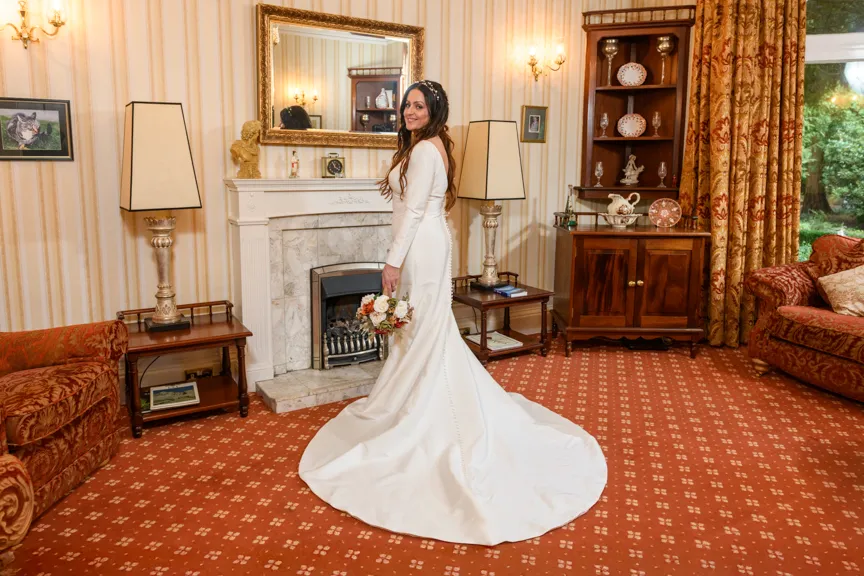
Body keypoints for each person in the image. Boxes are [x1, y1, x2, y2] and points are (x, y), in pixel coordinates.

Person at [298, 80, 607, 546]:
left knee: (418, 326)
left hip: (420, 247)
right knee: (422, 327)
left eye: (418, 105)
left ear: (435, 110)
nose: (409, 111)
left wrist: (392, 260)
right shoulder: (432, 145)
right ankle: (410, 397)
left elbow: (417, 211)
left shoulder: (425, 151)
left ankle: (419, 409)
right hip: (428, 244)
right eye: (407, 105)